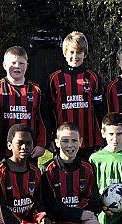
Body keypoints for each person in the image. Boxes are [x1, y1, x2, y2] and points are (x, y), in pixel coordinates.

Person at [41, 122, 107, 224]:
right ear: (56, 142)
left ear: (81, 142)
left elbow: (95, 201)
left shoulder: (87, 167)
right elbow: (48, 206)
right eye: (65, 141)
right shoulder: (47, 170)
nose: (70, 146)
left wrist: (75, 220)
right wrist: (76, 216)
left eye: (74, 141)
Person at [47, 31, 104, 160]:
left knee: (88, 176)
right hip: (64, 140)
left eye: (79, 52)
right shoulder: (55, 79)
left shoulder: (92, 77)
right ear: (65, 53)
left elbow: (100, 109)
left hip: (89, 140)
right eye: (71, 52)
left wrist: (103, 136)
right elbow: (49, 111)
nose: (75, 56)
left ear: (85, 54)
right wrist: (50, 137)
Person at [0, 46, 47, 163]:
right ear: (4, 65)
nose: (17, 66)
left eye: (21, 63)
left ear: (27, 66)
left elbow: (43, 120)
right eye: (13, 63)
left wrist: (41, 144)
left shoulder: (36, 90)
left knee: (27, 180)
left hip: (29, 150)